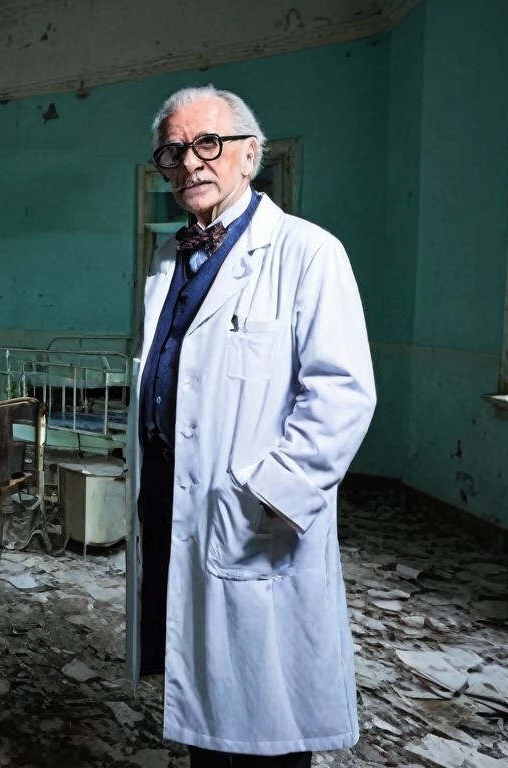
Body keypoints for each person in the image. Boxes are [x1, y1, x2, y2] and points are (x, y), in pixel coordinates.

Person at [131, 84, 377, 768]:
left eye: (207, 144)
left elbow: (343, 393)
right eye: (173, 152)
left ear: (250, 154)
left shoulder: (307, 252)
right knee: (202, 684)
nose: (189, 163)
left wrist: (270, 493)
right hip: (176, 494)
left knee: (270, 702)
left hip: (252, 507)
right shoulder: (168, 259)